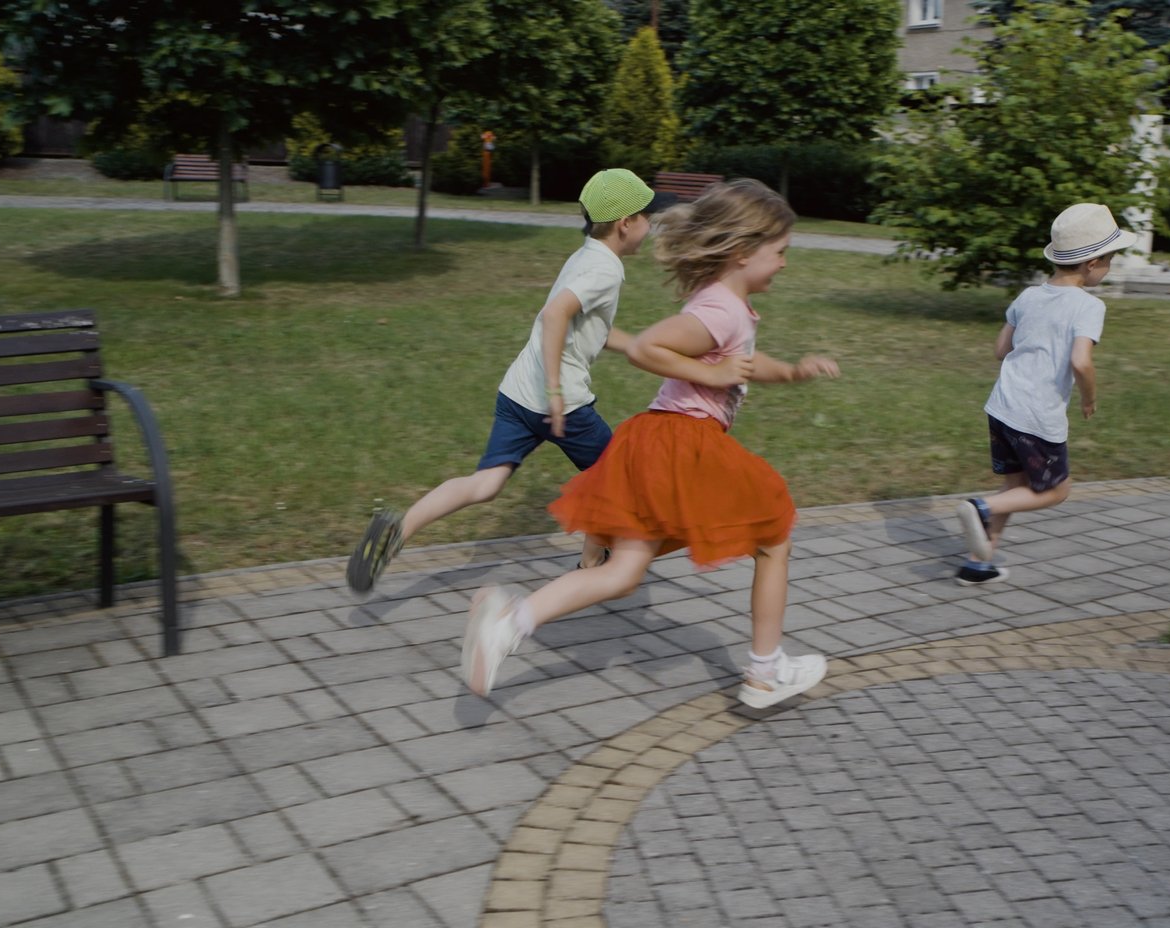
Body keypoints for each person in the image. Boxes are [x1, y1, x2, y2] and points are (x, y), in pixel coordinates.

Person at [459, 178, 840, 708]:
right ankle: (765, 672)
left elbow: (745, 363)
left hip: (654, 441)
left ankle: (509, 621)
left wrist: (794, 372)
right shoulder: (721, 311)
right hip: (685, 441)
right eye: (780, 252)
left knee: (623, 572)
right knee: (774, 536)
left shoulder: (725, 305)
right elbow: (646, 348)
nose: (784, 263)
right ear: (742, 252)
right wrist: (712, 375)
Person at [346, 169, 676, 593]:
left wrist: (646, 350)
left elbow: (587, 327)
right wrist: (555, 391)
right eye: (647, 217)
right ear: (625, 223)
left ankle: (398, 528)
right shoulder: (605, 271)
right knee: (616, 478)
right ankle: (591, 564)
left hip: (518, 393)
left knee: (485, 483)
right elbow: (554, 315)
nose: (650, 225)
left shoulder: (585, 256)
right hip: (562, 405)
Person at [953, 202, 1135, 586]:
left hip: (1002, 406)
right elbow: (1081, 362)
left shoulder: (1028, 296)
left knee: (1015, 488)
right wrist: (1088, 398)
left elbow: (1001, 349)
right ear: (1092, 263)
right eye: (1110, 260)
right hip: (1037, 415)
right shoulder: (1089, 306)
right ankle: (980, 506)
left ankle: (977, 564)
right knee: (1056, 491)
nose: (1109, 267)